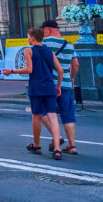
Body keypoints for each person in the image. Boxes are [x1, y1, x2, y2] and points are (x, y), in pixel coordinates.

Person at [4, 27, 64, 160]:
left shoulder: (28, 50)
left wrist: (11, 71)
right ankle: (57, 148)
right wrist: (58, 86)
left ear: (32, 37)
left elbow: (29, 69)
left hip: (36, 87)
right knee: (53, 117)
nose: (27, 38)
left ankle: (37, 145)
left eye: (27, 36)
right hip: (49, 86)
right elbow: (60, 71)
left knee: (36, 116)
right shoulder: (50, 51)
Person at [41, 20, 79, 155]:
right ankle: (72, 145)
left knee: (42, 111)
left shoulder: (45, 42)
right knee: (68, 114)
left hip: (50, 84)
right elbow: (76, 65)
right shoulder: (69, 44)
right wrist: (72, 77)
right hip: (67, 84)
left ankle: (57, 136)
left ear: (48, 30)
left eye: (43, 30)